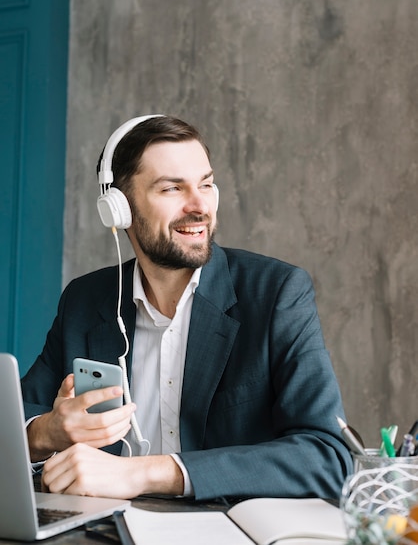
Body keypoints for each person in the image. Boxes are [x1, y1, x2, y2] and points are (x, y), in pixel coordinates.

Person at [21, 114, 353, 501]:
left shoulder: (277, 293)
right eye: (172, 189)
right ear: (119, 208)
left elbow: (327, 456)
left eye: (206, 184)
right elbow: (18, 418)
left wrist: (144, 474)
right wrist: (47, 432)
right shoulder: (85, 299)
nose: (200, 206)